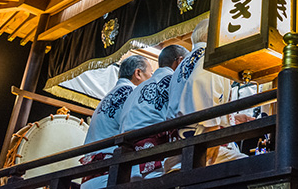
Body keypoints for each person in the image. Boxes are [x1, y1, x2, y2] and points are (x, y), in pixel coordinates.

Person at [163, 19, 250, 171]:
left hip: (180, 143)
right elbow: (203, 84)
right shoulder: (209, 56)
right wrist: (212, 130)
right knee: (254, 167)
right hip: (202, 142)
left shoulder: (184, 63)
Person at [79, 55, 151, 189]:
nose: (152, 79)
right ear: (138, 73)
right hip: (111, 175)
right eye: (151, 74)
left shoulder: (108, 96)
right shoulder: (133, 93)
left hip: (90, 176)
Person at [118, 44, 189, 180]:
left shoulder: (135, 90)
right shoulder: (175, 81)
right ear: (180, 61)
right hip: (157, 161)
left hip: (128, 166)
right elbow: (180, 115)